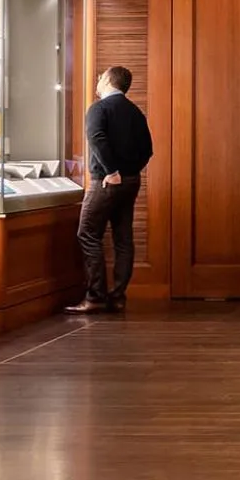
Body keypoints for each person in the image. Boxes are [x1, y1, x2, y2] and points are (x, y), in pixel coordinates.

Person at [66, 66, 152, 315]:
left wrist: (112, 172)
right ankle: (118, 296)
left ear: (108, 80)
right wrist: (130, 171)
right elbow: (147, 149)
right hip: (131, 181)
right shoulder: (136, 112)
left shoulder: (98, 108)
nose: (98, 79)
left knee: (88, 233)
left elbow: (96, 138)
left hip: (106, 181)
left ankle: (95, 297)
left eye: (101, 76)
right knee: (123, 238)